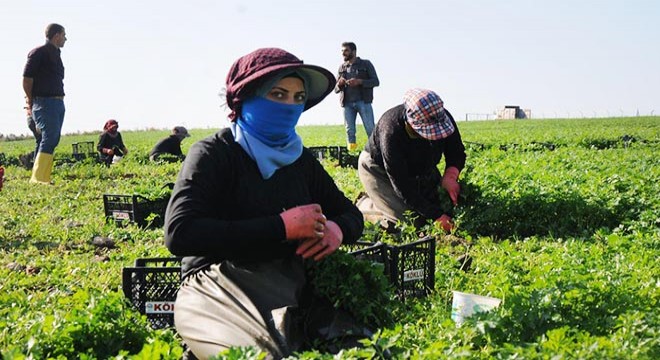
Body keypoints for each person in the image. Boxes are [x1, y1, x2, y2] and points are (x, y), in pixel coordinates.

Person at [164, 48, 365, 359]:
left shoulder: (300, 160)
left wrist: (339, 229)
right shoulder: (214, 153)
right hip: (218, 282)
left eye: (298, 98)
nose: (289, 105)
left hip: (288, 280)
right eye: (278, 93)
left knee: (362, 348)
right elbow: (180, 233)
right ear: (246, 98)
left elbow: (350, 213)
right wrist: (281, 227)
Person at [357, 88, 466, 232]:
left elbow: (456, 152)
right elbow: (402, 185)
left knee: (439, 206)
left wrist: (450, 177)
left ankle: (388, 202)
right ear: (411, 122)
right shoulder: (391, 129)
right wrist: (437, 216)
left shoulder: (442, 117)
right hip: (379, 169)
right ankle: (366, 205)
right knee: (410, 222)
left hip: (420, 166)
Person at [22, 23, 67, 184]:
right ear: (56, 35)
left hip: (57, 102)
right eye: (64, 35)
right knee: (50, 137)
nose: (65, 38)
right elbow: (27, 79)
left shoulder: (56, 54)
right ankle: (38, 178)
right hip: (44, 102)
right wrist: (31, 99)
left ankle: (42, 177)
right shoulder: (38, 53)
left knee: (50, 139)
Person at [334, 42, 379, 151]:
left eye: (346, 50)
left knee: (370, 129)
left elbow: (376, 82)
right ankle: (352, 153)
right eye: (342, 51)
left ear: (353, 52)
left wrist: (360, 82)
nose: (343, 53)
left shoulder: (366, 64)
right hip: (347, 104)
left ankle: (376, 151)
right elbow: (335, 89)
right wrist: (339, 85)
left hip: (363, 102)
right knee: (350, 131)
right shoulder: (342, 68)